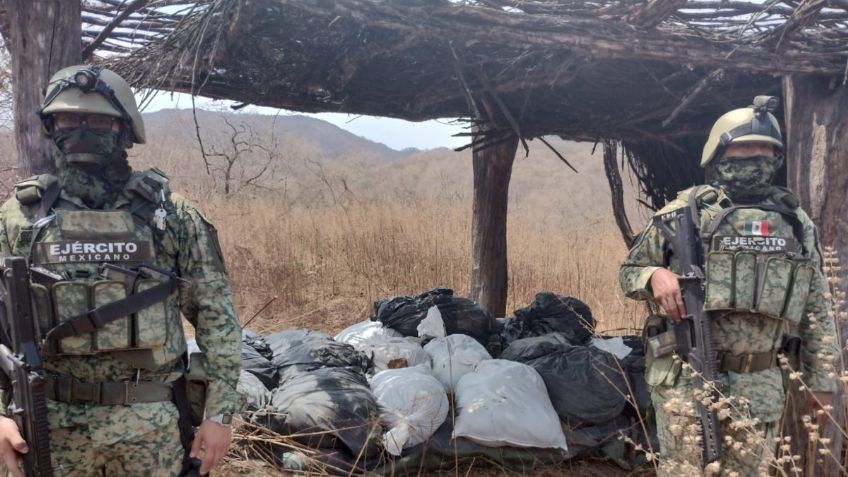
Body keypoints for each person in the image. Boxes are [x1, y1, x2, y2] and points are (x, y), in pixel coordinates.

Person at [0, 65, 241, 476]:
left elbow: (217, 319)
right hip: (49, 425)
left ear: (125, 129)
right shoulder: (19, 217)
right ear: (50, 125)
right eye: (68, 118)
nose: (81, 129)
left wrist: (219, 416)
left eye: (98, 120)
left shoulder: (171, 215)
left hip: (150, 429)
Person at [620, 97, 837, 476]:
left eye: (764, 149)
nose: (755, 157)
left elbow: (817, 306)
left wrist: (822, 381)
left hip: (761, 388)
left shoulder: (795, 222)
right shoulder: (684, 210)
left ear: (776, 158)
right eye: (743, 147)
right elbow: (629, 271)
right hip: (686, 383)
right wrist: (654, 276)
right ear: (719, 152)